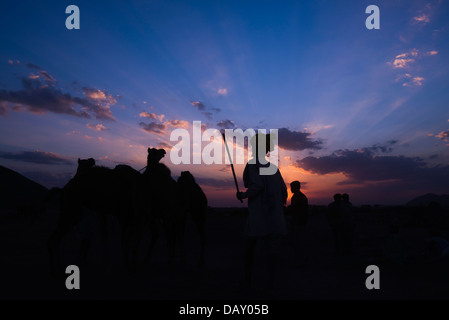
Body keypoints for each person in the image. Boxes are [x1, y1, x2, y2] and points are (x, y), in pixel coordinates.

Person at [236, 133, 288, 289]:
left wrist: (243, 195)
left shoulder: (253, 164)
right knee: (271, 251)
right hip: (274, 217)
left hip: (259, 216)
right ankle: (271, 282)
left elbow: (257, 186)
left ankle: (247, 280)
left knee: (250, 248)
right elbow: (284, 191)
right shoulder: (273, 168)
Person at [287, 181, 308, 260]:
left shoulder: (298, 197)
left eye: (292, 187)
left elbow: (297, 210)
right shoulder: (299, 196)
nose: (291, 189)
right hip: (298, 221)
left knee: (297, 242)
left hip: (298, 222)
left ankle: (299, 260)